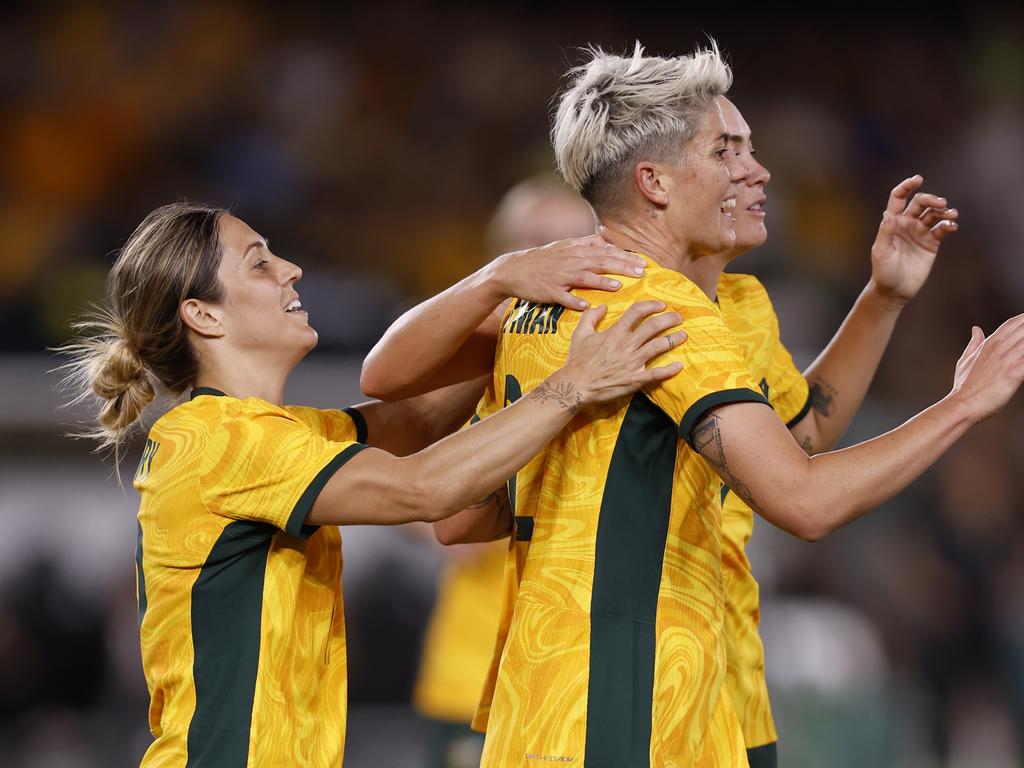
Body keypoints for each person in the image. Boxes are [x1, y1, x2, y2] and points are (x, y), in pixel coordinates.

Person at [360, 43, 1024, 767]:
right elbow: (802, 500)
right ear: (655, 181)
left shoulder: (554, 306)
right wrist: (962, 404)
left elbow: (460, 513)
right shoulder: (661, 307)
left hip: (549, 699)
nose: (757, 170)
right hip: (638, 704)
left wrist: (882, 299)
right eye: (727, 150)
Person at [57, 201, 687, 766]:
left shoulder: (257, 431)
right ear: (202, 315)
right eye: (259, 264)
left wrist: (518, 322)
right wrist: (571, 382)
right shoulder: (224, 442)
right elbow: (424, 488)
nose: (291, 269)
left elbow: (411, 420)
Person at [411, 176, 597, 768]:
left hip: (581, 667)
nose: (557, 258)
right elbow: (399, 479)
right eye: (538, 243)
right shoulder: (470, 356)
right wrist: (434, 514)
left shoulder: (614, 356)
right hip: (473, 668)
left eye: (572, 240)